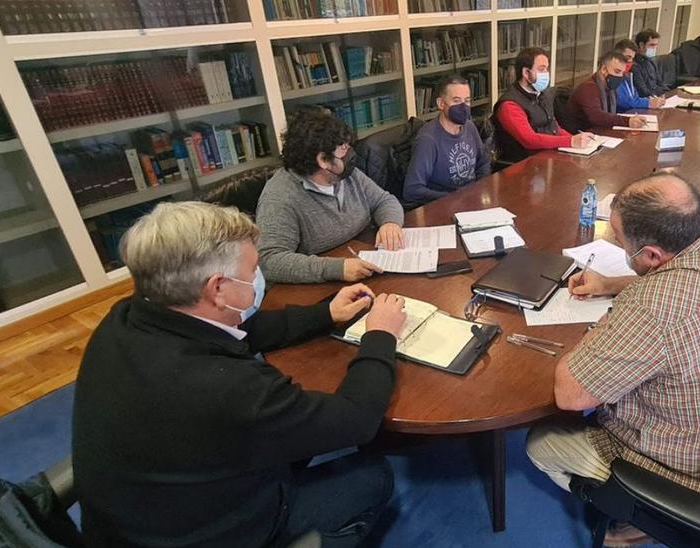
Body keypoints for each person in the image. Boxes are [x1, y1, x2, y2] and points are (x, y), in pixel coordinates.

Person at [73, 201, 409, 547]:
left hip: (136, 515)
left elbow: (240, 331)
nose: (256, 279)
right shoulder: (230, 388)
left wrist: (325, 313)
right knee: (373, 476)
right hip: (205, 533)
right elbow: (357, 420)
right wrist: (380, 335)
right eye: (252, 271)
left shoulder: (127, 318)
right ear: (217, 288)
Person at [526, 174, 700, 543]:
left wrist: (605, 330)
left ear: (650, 255)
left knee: (540, 442)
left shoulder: (655, 306)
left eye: (620, 241)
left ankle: (633, 525)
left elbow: (571, 396)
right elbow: (683, 284)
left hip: (698, 476)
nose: (620, 248)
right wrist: (611, 285)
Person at [256, 111, 404, 284]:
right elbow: (270, 261)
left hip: (364, 265)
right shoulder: (280, 198)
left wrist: (390, 223)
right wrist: (335, 269)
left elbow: (384, 201)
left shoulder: (346, 174)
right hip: (316, 289)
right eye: (344, 150)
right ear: (323, 160)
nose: (351, 154)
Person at [402, 75, 491, 208]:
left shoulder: (469, 126)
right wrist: (455, 197)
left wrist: (478, 189)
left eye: (467, 101)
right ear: (441, 104)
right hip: (444, 206)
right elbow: (412, 190)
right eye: (456, 101)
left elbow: (483, 163)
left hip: (472, 201)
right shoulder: (428, 140)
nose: (463, 106)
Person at [494, 47, 595, 162]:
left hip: (547, 157)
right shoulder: (509, 105)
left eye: (547, 69)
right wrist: (570, 141)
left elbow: (554, 128)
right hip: (523, 164)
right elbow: (529, 140)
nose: (546, 74)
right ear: (526, 73)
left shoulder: (543, 95)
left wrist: (576, 139)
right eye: (541, 69)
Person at [560, 50, 651, 133]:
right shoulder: (588, 88)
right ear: (604, 69)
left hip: (599, 132)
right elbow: (597, 116)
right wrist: (627, 121)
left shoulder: (609, 88)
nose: (620, 76)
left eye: (622, 73)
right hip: (581, 135)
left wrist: (633, 119)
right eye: (617, 71)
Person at [613, 39, 667, 111]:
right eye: (628, 57)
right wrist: (648, 103)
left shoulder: (627, 75)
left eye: (632, 58)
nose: (630, 61)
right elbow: (623, 101)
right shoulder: (612, 75)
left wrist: (651, 100)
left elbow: (634, 98)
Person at [631, 28, 672, 97]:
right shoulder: (634, 65)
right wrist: (660, 93)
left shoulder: (651, 61)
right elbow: (643, 91)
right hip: (647, 101)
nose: (654, 48)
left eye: (656, 45)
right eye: (652, 45)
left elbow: (660, 83)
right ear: (641, 45)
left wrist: (667, 92)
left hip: (658, 97)